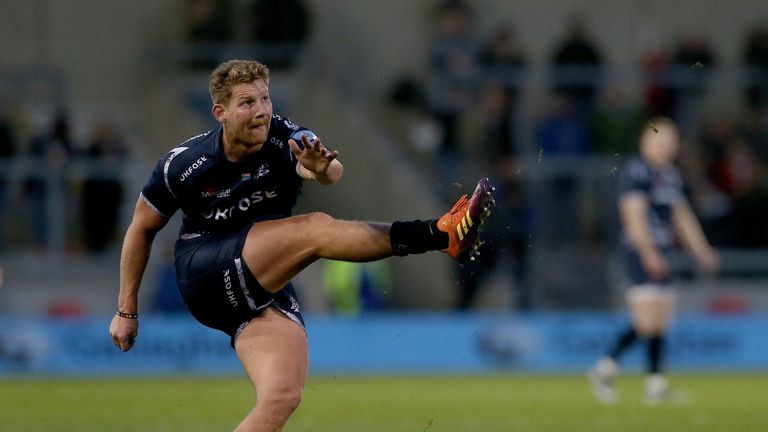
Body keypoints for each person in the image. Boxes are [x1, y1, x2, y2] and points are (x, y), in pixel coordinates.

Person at [109, 59, 494, 431]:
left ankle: (444, 237)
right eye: (247, 103)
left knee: (281, 396)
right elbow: (140, 229)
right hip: (205, 270)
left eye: (265, 99)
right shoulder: (183, 165)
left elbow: (324, 169)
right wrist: (126, 312)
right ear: (220, 112)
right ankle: (440, 234)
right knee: (313, 229)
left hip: (261, 282)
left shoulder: (285, 135)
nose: (261, 111)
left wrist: (322, 166)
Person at [589, 117, 719, 405]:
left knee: (660, 321)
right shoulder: (637, 172)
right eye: (659, 140)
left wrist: (701, 249)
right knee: (646, 321)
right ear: (644, 142)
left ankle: (655, 385)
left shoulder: (670, 175)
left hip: (663, 250)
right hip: (640, 251)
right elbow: (633, 214)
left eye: (669, 142)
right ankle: (604, 367)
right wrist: (648, 252)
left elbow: (681, 216)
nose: (664, 146)